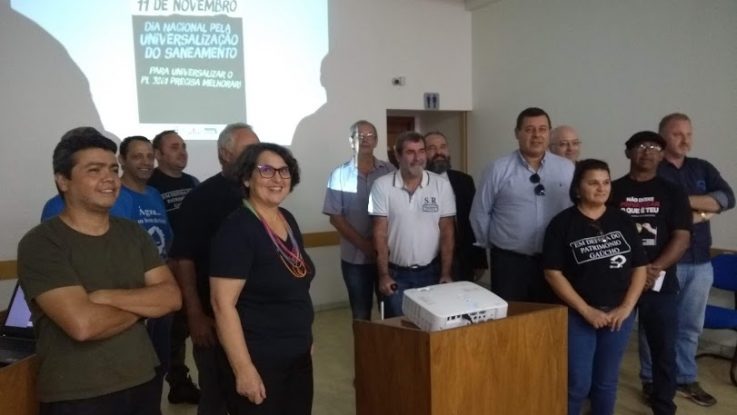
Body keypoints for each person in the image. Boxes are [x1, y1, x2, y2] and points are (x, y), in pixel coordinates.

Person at [17, 128, 181, 414]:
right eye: (94, 170)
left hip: (142, 377)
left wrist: (103, 297)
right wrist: (144, 307)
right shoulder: (42, 242)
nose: (110, 178)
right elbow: (83, 325)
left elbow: (171, 298)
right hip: (78, 392)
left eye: (113, 169)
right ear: (63, 181)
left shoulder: (133, 234)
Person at [210, 143, 315, 414]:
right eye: (266, 170)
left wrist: (306, 338)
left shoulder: (287, 219)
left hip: (297, 355)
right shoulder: (237, 229)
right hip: (260, 360)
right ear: (247, 178)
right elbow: (222, 305)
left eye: (284, 171)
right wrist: (243, 369)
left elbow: (297, 288)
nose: (277, 178)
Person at [542, 159, 648, 415]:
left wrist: (626, 308)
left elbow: (640, 267)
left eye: (606, 182)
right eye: (593, 183)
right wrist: (586, 310)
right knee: (577, 383)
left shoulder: (622, 220)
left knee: (606, 382)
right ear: (578, 188)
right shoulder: (562, 223)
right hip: (578, 315)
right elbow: (552, 273)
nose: (601, 188)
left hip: (619, 316)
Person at [169, 122, 260, 415]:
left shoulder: (261, 193)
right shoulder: (201, 198)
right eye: (249, 150)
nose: (257, 156)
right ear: (225, 154)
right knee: (216, 393)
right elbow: (184, 259)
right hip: (213, 317)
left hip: (257, 318)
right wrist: (194, 314)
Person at [654, 113, 735, 407]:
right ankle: (651, 380)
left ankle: (685, 378)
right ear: (663, 137)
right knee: (657, 326)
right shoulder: (652, 169)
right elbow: (657, 210)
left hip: (701, 263)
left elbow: (727, 198)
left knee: (690, 326)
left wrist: (684, 202)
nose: (685, 140)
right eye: (677, 134)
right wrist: (704, 210)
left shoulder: (702, 168)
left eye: (688, 134)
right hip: (664, 262)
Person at [611, 131, 691, 415]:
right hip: (618, 282)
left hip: (660, 283)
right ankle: (599, 402)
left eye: (655, 147)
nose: (647, 152)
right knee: (610, 348)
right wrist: (635, 273)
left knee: (664, 349)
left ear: (662, 154)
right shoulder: (613, 190)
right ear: (628, 153)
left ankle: (664, 406)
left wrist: (654, 269)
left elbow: (682, 237)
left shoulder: (673, 192)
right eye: (641, 146)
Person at [470, 107, 574, 301]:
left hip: (554, 262)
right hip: (510, 262)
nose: (536, 135)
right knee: (512, 316)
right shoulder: (498, 169)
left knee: (550, 315)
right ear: (517, 133)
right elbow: (480, 213)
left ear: (549, 133)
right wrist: (493, 245)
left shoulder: (567, 168)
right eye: (529, 129)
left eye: (542, 129)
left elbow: (574, 211)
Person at [369, 131, 455, 318]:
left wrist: (446, 273)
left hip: (431, 272)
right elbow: (379, 234)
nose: (417, 158)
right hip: (396, 274)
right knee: (399, 328)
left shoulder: (441, 185)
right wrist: (383, 275)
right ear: (397, 155)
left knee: (431, 326)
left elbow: (447, 232)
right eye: (410, 152)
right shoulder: (381, 186)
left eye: (421, 151)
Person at [118, 135, 175, 405]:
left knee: (159, 365)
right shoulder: (117, 196)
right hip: (133, 298)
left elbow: (167, 238)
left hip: (160, 293)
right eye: (137, 156)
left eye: (149, 156)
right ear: (122, 160)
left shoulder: (153, 194)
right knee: (136, 372)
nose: (145, 162)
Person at [148, 129, 201, 404]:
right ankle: (177, 382)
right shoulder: (150, 186)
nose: (182, 152)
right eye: (174, 147)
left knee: (196, 327)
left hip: (194, 267)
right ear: (158, 154)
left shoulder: (193, 183)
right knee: (171, 333)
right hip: (165, 271)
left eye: (183, 146)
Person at [322, 120, 395, 320]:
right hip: (354, 260)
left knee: (391, 311)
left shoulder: (390, 171)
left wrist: (379, 247)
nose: (365, 139)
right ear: (350, 141)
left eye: (370, 135)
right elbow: (335, 218)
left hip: (389, 257)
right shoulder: (338, 175)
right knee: (361, 314)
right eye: (359, 135)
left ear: (376, 141)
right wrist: (366, 246)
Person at [424, 130, 488, 281]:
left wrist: (480, 260)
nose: (439, 152)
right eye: (432, 148)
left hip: (461, 260)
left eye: (443, 147)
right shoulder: (415, 182)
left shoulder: (464, 180)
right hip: (427, 262)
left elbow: (473, 222)